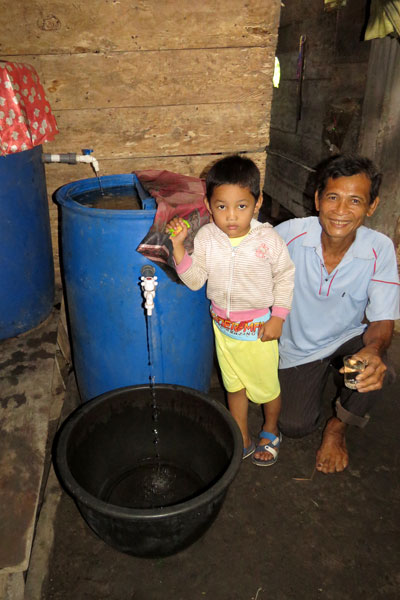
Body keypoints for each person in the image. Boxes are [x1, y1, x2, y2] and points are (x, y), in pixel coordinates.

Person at [166, 155, 295, 466]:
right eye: (221, 206)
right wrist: (180, 247)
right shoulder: (208, 238)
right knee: (233, 385)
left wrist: (278, 316)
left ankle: (271, 430)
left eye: (242, 206)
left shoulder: (268, 240)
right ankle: (242, 435)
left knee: (265, 389)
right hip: (223, 330)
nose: (232, 216)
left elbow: (286, 276)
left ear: (258, 202)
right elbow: (196, 281)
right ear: (209, 205)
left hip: (258, 331)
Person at [275, 154, 400, 474]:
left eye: (355, 200)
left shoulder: (380, 248)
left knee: (375, 369)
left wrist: (372, 349)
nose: (341, 211)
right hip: (299, 346)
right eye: (333, 197)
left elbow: (383, 320)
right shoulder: (288, 235)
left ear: (372, 206)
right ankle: (324, 375)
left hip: (348, 338)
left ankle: (338, 427)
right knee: (293, 426)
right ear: (317, 200)